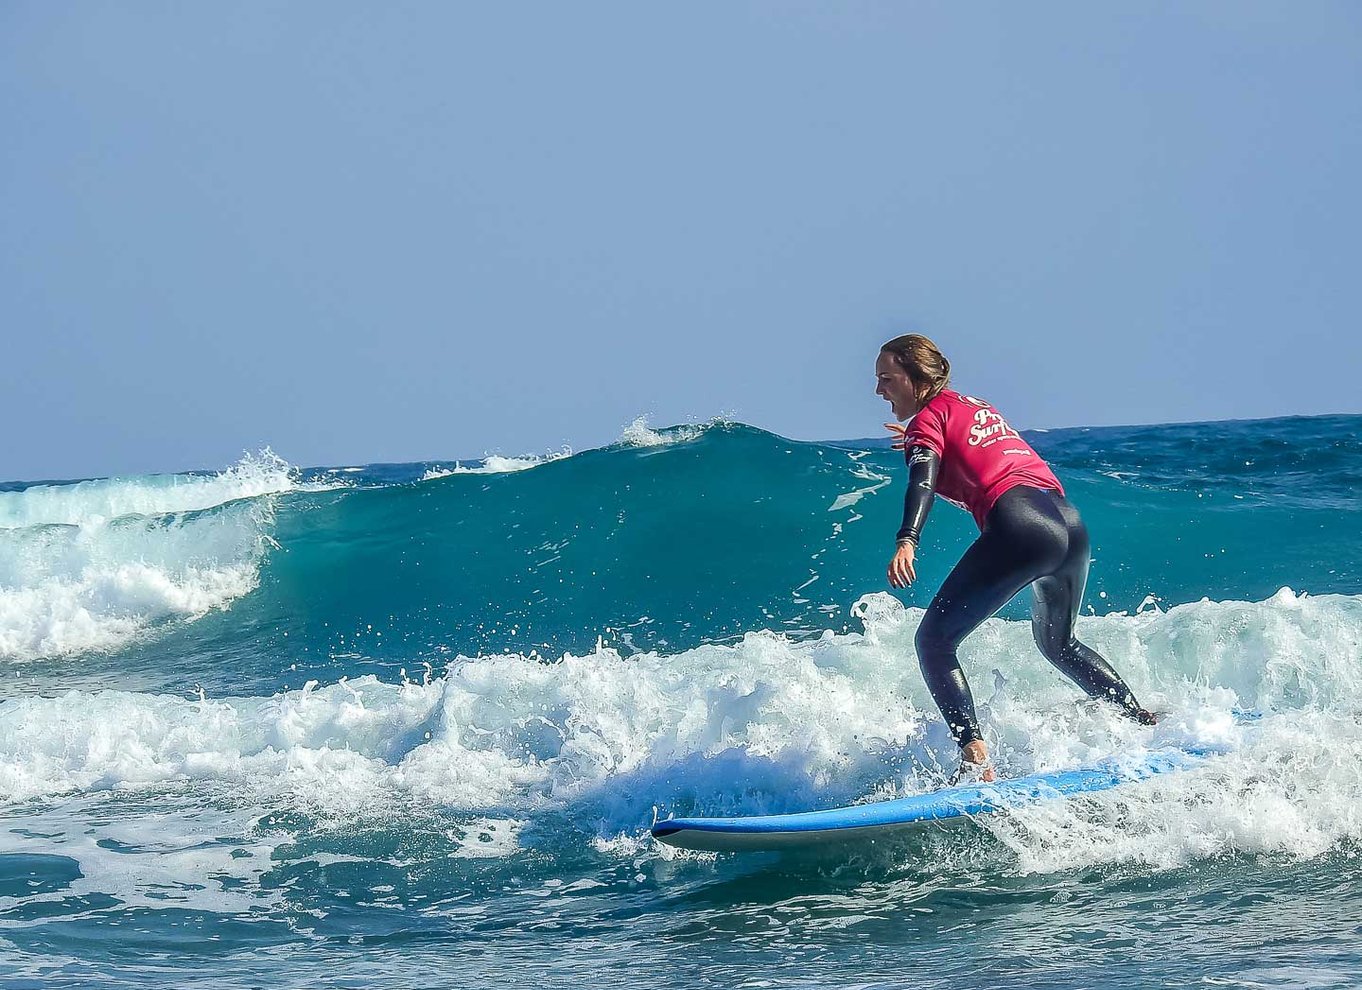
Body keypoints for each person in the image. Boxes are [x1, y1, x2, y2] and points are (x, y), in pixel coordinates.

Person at [875, 334, 1156, 783]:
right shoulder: (973, 406)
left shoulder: (928, 421)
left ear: (916, 378)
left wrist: (907, 538)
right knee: (1059, 644)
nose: (879, 391)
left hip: (1021, 525)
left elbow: (921, 481)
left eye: (887, 379)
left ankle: (977, 760)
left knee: (933, 642)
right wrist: (921, 435)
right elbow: (979, 455)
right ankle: (1139, 720)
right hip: (1069, 525)